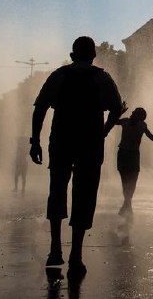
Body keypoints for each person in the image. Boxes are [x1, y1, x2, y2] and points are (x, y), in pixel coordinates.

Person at [30, 36, 123, 275]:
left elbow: (40, 108)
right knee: (85, 195)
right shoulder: (102, 78)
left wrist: (35, 141)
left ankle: (55, 249)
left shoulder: (58, 76)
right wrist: (103, 132)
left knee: (57, 191)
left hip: (61, 141)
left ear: (72, 55)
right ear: (93, 56)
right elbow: (116, 109)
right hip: (90, 144)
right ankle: (76, 255)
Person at [104, 107, 153, 218]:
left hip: (132, 155)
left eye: (134, 112)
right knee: (126, 181)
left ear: (139, 116)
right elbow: (112, 122)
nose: (131, 112)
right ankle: (127, 206)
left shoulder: (141, 125)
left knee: (131, 182)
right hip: (124, 154)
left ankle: (127, 206)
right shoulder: (126, 121)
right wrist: (119, 113)